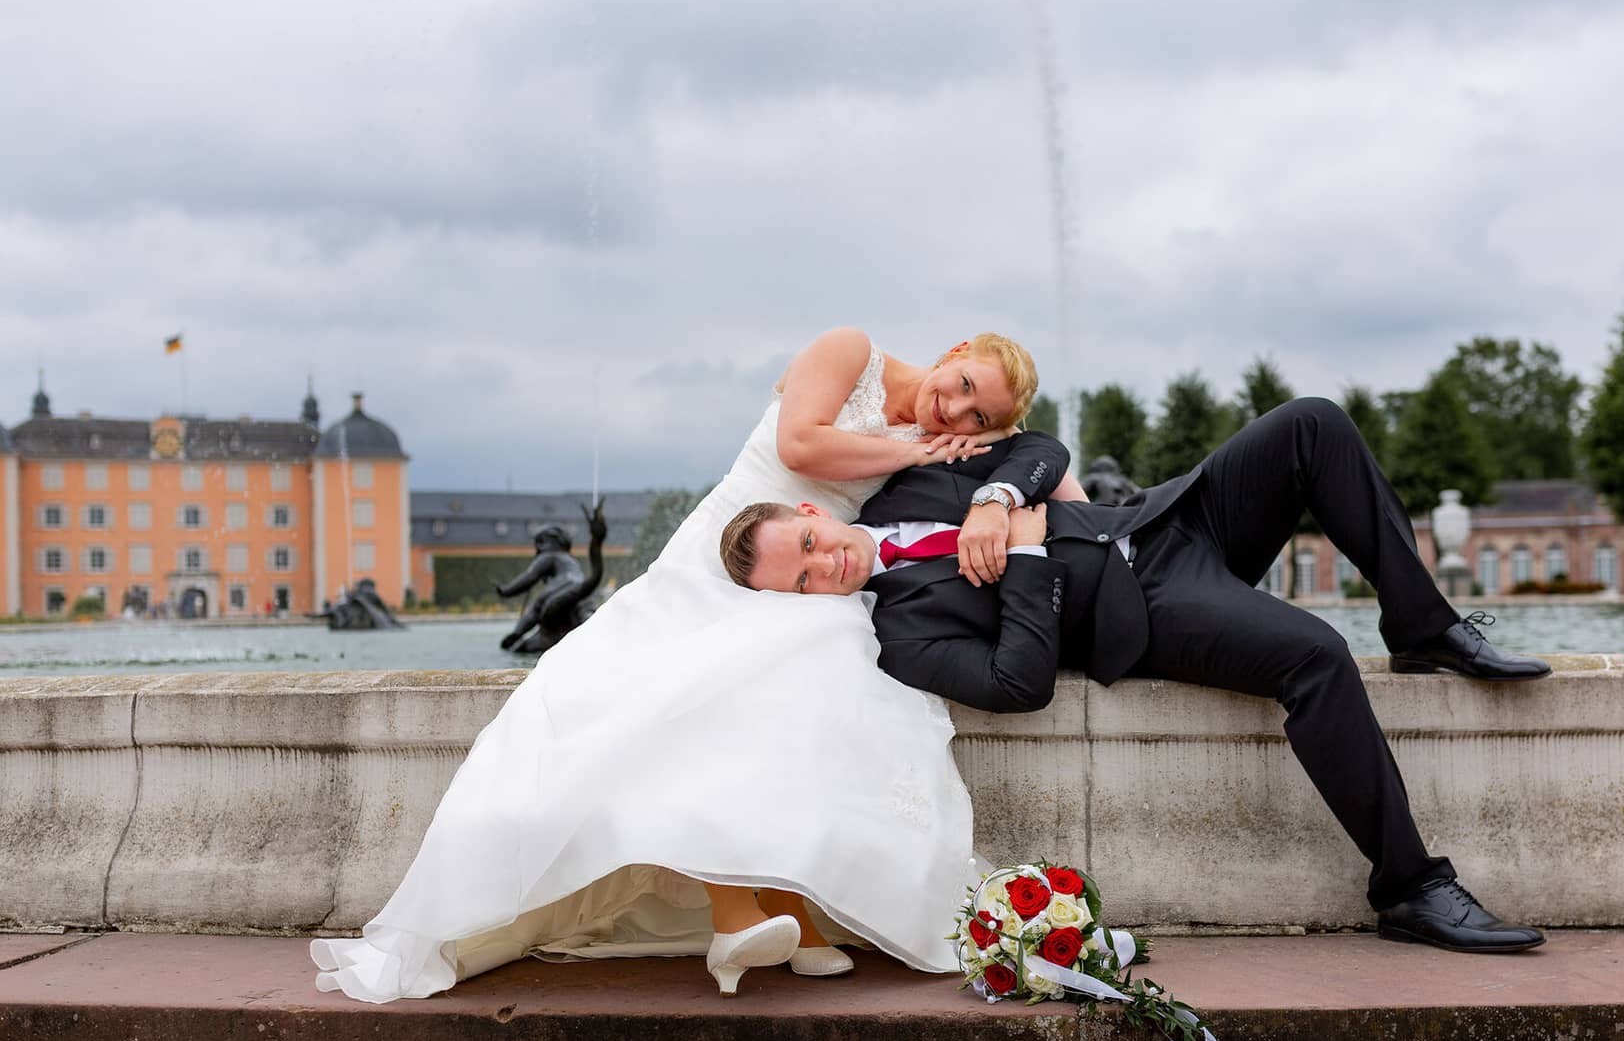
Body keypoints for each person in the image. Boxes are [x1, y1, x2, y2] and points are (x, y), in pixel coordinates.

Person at [312, 327, 1072, 1001]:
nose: (958, 414)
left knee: (808, 693)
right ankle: (741, 908)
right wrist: (919, 451)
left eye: (981, 418)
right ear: (951, 353)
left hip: (810, 577)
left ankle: (793, 910)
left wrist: (1014, 502)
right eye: (962, 385)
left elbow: (1045, 463)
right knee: (685, 694)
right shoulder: (851, 351)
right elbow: (799, 446)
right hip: (732, 552)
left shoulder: (958, 443)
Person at [722, 397, 1551, 953]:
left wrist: (997, 496)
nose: (820, 568)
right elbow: (1019, 684)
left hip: (1165, 517)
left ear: (809, 516)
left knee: (1313, 425)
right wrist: (1027, 556)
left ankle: (1423, 626)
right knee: (1315, 656)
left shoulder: (913, 483)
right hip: (1149, 604)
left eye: (804, 549)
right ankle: (1409, 887)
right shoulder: (900, 634)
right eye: (798, 584)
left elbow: (1040, 446)